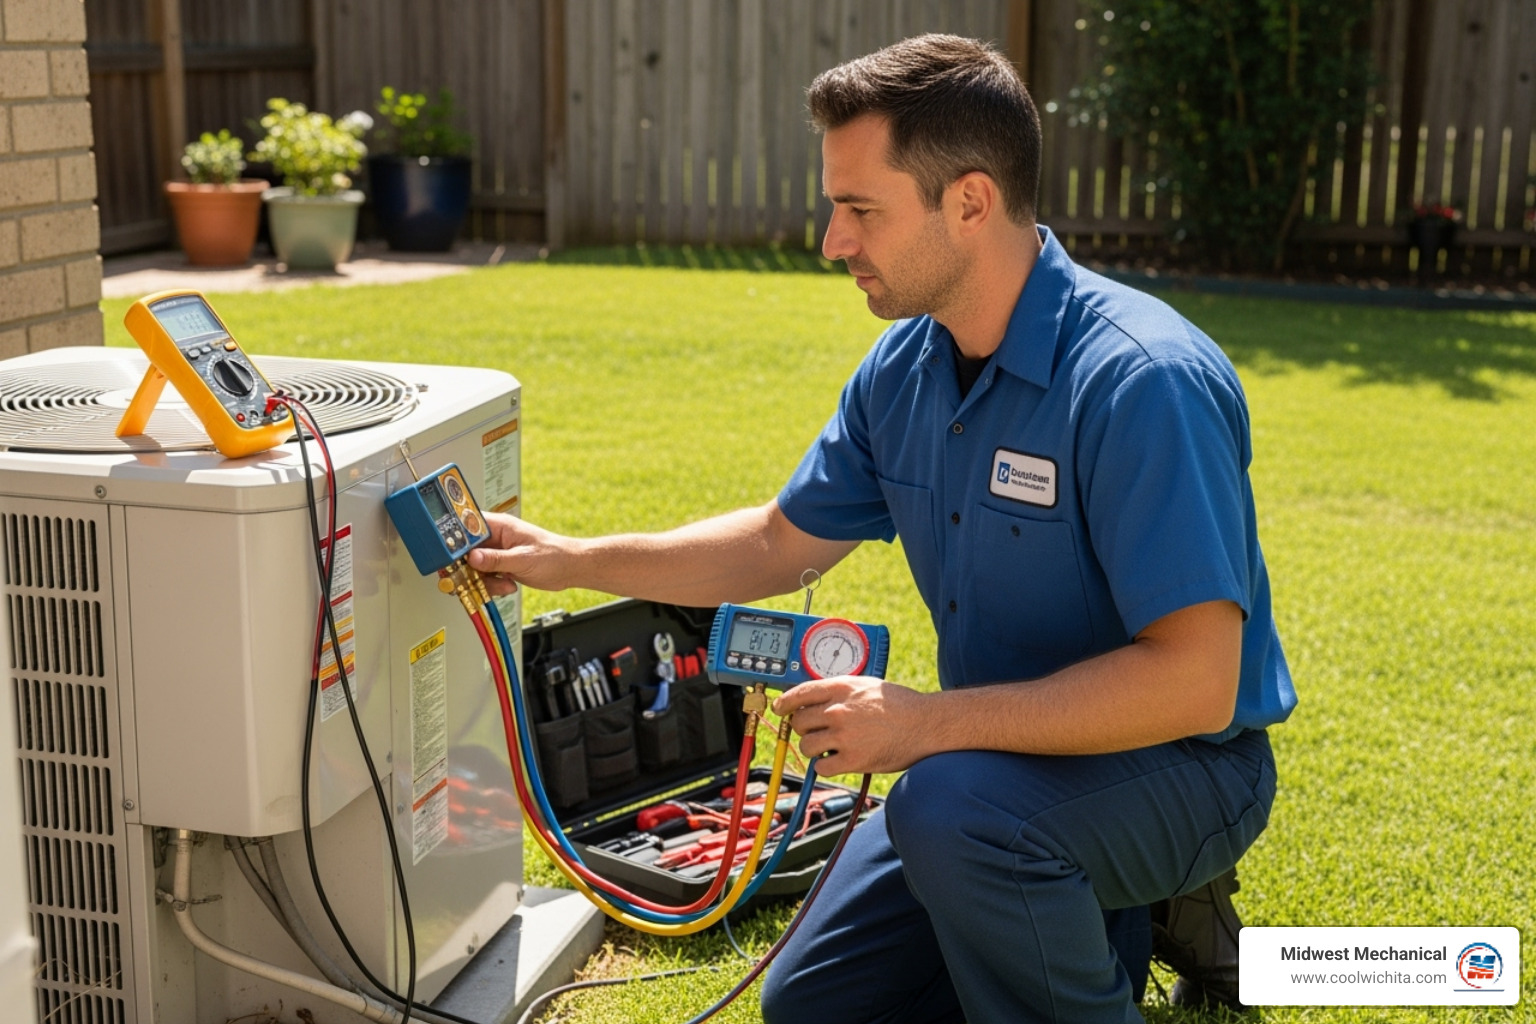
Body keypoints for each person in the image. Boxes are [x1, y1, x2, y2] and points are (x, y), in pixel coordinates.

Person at [469, 33, 1295, 1024]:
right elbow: (778, 542)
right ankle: (1106, 916)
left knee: (950, 817)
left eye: (861, 209)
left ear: (972, 202)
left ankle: (1128, 898)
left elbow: (1196, 683)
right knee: (815, 1005)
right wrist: (570, 559)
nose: (832, 239)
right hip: (1003, 770)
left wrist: (922, 725)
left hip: (1185, 763)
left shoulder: (1141, 382)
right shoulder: (905, 369)